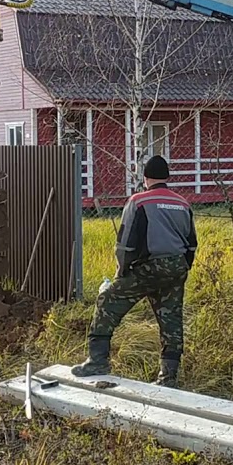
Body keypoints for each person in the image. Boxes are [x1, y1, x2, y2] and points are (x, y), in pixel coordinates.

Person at [72, 155, 198, 388]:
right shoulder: (182, 203)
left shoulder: (138, 201)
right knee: (171, 319)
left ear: (145, 177)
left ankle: (98, 361)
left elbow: (126, 243)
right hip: (177, 267)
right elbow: (191, 244)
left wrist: (122, 272)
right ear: (167, 177)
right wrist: (181, 268)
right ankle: (168, 377)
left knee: (107, 301)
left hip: (148, 267)